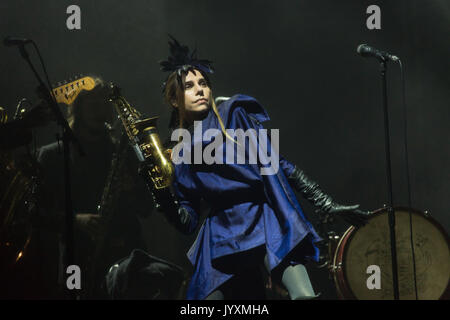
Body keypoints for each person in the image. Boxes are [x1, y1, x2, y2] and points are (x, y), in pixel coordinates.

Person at [150, 36, 371, 300]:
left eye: (203, 83)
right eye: (189, 86)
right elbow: (188, 220)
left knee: (304, 297)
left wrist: (325, 203)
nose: (200, 90)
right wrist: (163, 196)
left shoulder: (234, 114)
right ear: (175, 100)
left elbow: (277, 165)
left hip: (262, 219)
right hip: (220, 234)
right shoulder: (179, 152)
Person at [37, 76, 152, 298]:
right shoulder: (52, 155)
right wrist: (76, 220)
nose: (99, 107)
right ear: (78, 107)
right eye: (92, 101)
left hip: (124, 258)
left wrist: (132, 188)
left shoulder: (125, 153)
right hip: (76, 260)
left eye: (103, 101)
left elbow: (147, 208)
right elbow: (36, 213)